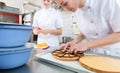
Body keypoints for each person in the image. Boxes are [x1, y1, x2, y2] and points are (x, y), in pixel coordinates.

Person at [54, 0, 120, 56]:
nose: (65, 10)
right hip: (96, 54)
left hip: (115, 54)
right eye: (61, 6)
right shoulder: (77, 11)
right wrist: (75, 41)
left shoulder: (108, 2)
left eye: (65, 4)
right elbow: (89, 30)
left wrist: (87, 45)